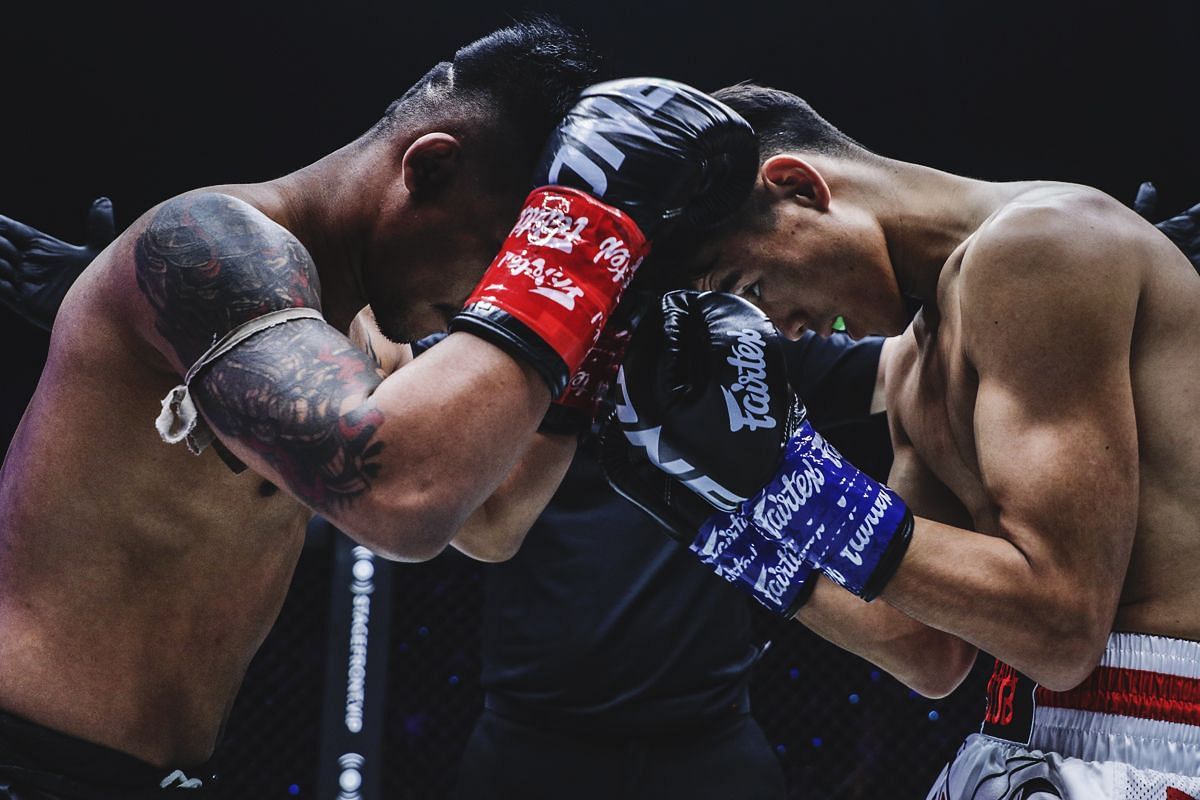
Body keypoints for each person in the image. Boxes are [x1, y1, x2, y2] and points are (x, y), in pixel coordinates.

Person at [0, 17, 762, 798]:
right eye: (501, 256)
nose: (481, 300)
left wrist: (596, 327)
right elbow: (398, 495)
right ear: (429, 169)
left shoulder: (357, 331)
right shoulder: (209, 237)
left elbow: (491, 519)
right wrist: (569, 249)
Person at [610, 82, 1200, 798]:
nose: (780, 330)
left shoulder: (1043, 241)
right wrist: (727, 519)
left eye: (753, 286)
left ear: (798, 186)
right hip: (1024, 734)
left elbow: (1062, 627)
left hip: (1169, 738)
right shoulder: (913, 361)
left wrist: (793, 484)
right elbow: (927, 650)